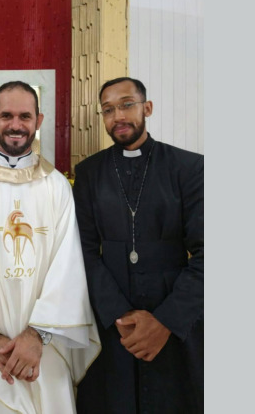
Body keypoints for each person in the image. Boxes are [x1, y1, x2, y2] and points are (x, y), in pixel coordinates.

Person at [0, 81, 100, 413]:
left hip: (45, 344)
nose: (16, 125)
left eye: (25, 116)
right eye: (7, 115)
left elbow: (68, 263)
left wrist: (37, 335)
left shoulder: (56, 186)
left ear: (38, 120)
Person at [73, 77, 204, 413]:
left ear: (147, 108)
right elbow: (82, 250)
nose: (118, 115)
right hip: (112, 323)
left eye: (127, 104)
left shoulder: (189, 167)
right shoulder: (88, 173)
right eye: (108, 109)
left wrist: (165, 322)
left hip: (175, 322)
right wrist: (120, 315)